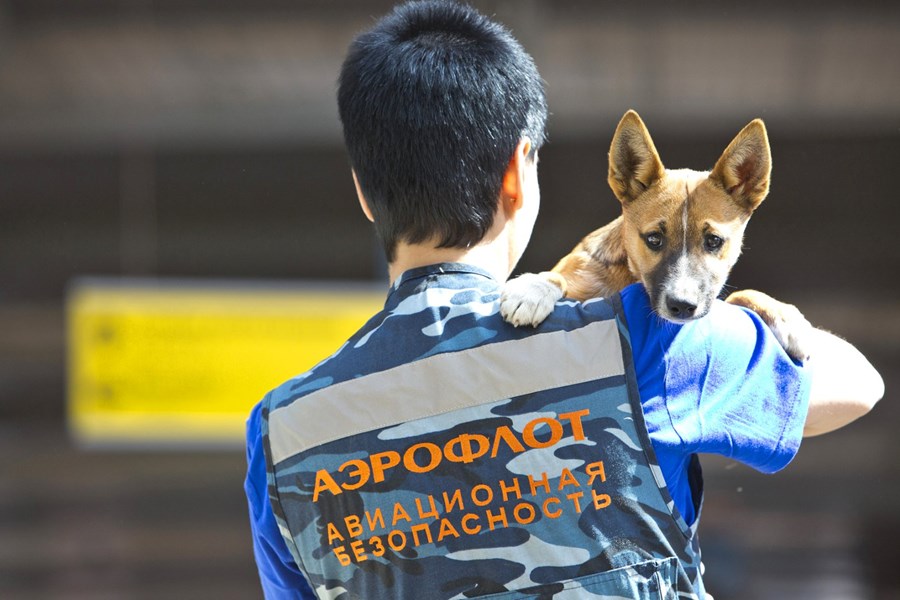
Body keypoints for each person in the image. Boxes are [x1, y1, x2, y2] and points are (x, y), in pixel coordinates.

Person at [244, 1, 884, 598]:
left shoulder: (280, 433)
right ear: (517, 176)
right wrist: (751, 310)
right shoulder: (644, 346)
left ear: (361, 192)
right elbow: (858, 384)